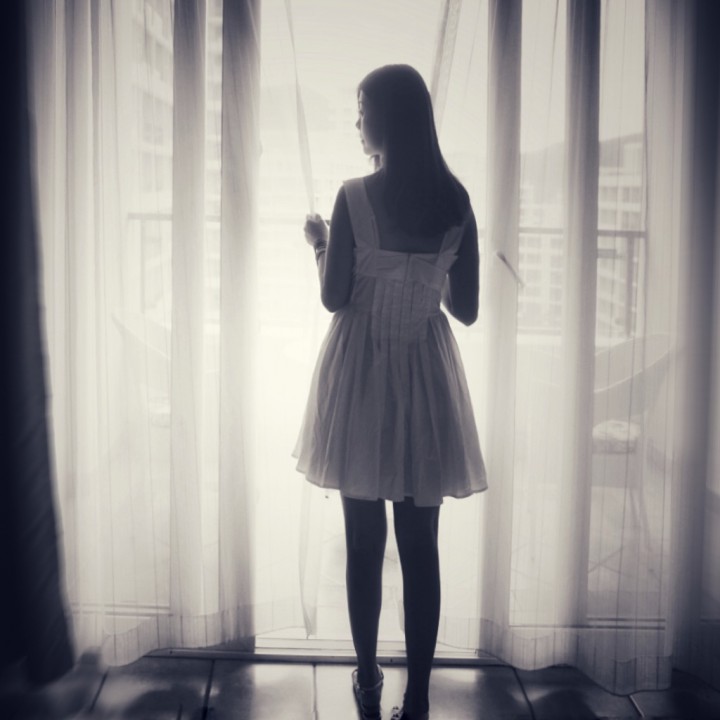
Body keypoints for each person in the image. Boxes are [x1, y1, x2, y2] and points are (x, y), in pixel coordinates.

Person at [293, 64, 487, 720]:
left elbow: (334, 297)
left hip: (361, 376)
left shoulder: (353, 197)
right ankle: (421, 695)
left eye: (363, 109)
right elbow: (467, 310)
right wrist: (428, 275)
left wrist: (320, 243)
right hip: (426, 378)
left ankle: (370, 681)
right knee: (421, 546)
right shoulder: (456, 203)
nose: (358, 122)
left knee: (362, 543)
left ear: (390, 119)